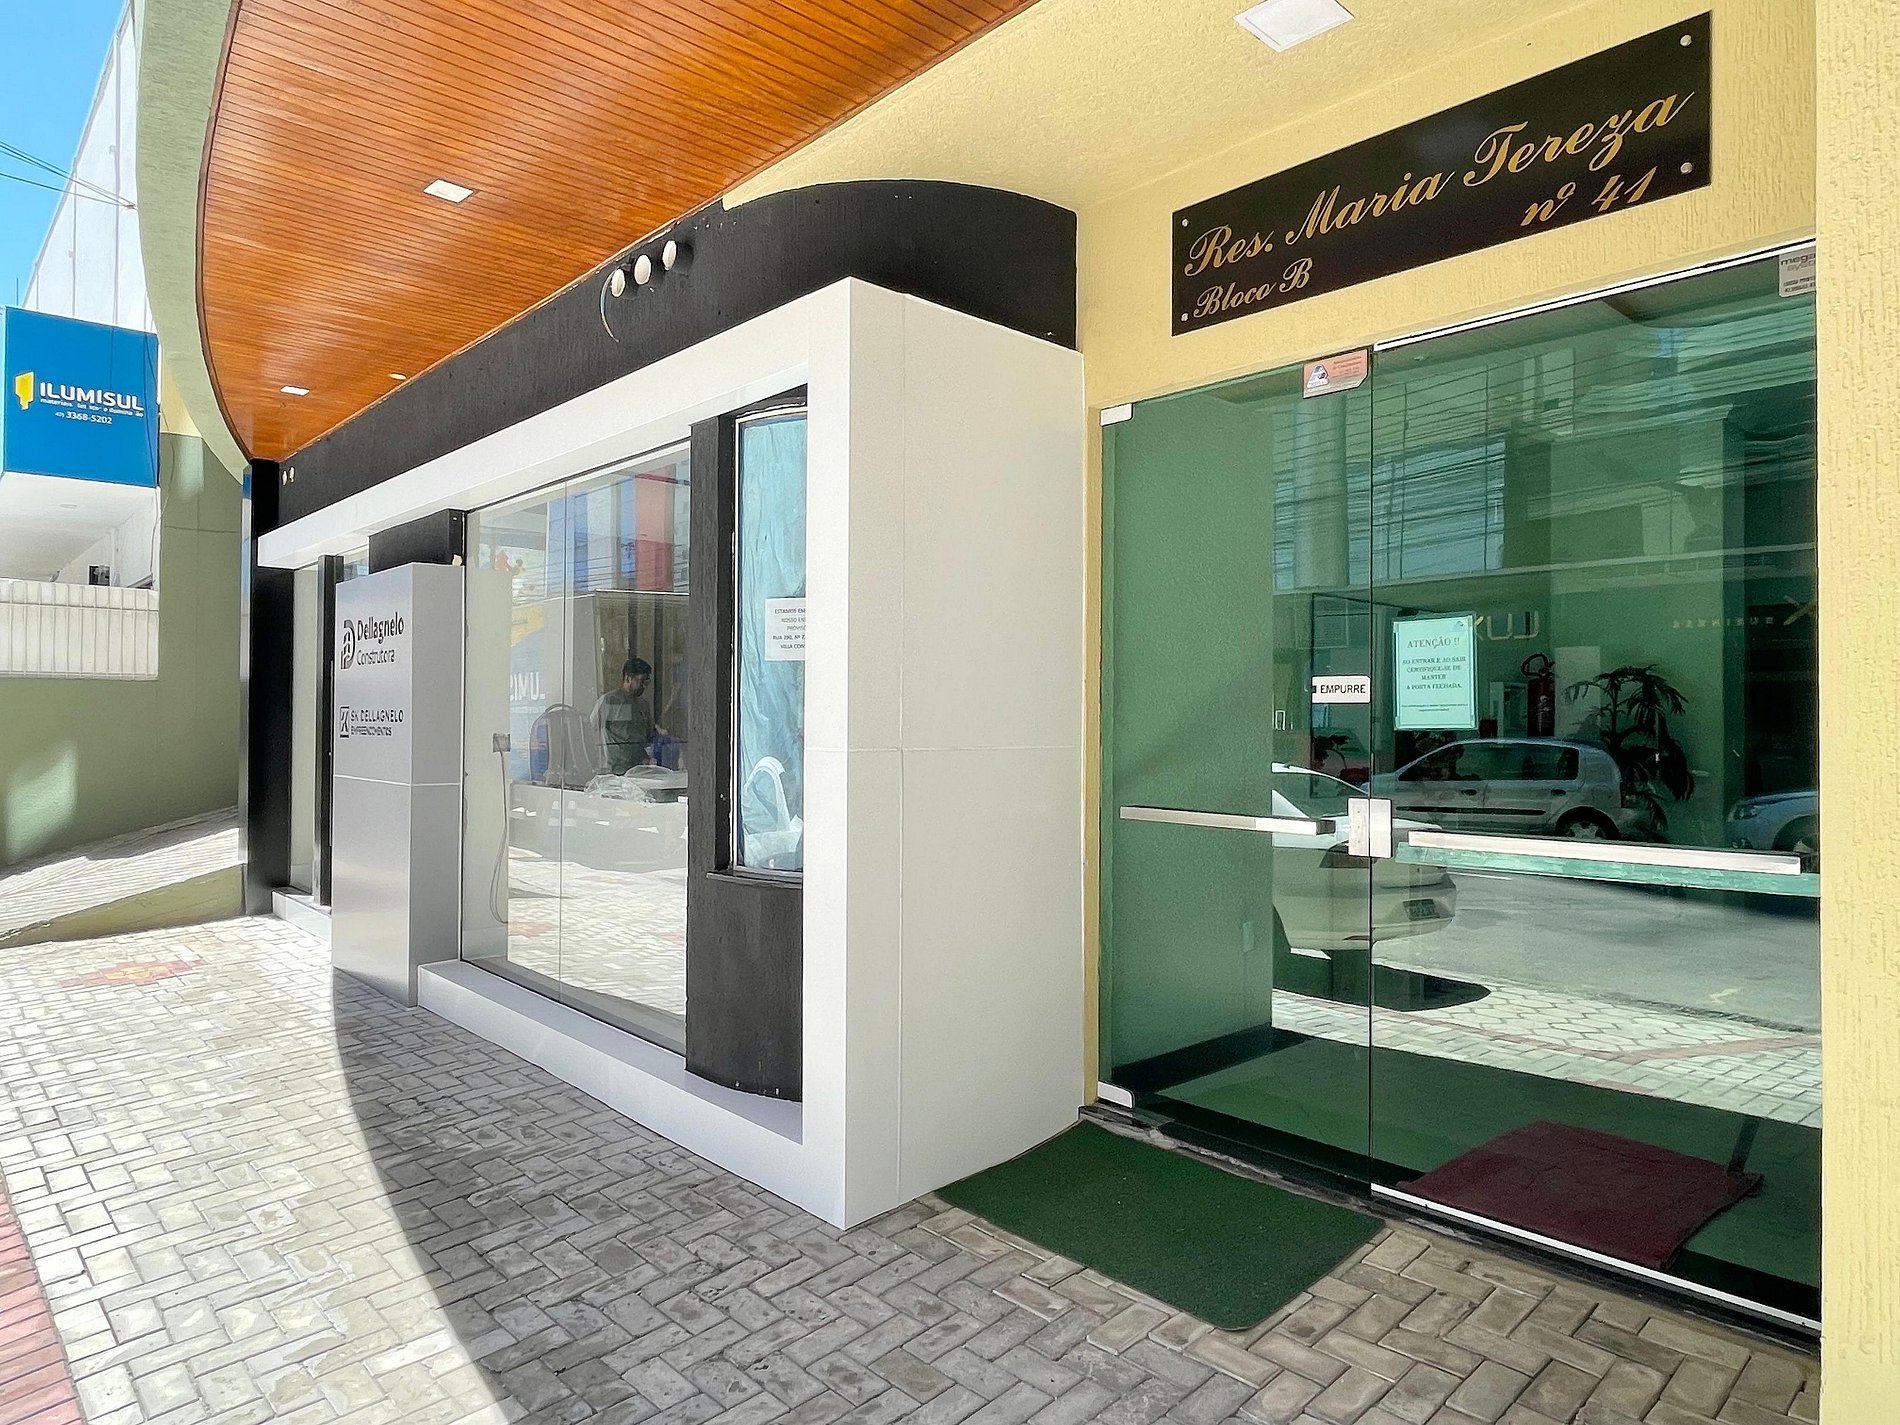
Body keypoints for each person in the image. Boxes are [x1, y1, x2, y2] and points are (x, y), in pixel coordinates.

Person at [591, 657, 660, 773]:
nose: (644, 686)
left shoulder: (643, 705)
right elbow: (591, 731)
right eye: (641, 681)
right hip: (615, 769)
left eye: (647, 682)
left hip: (639, 768)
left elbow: (649, 735)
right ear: (628, 678)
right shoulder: (609, 701)